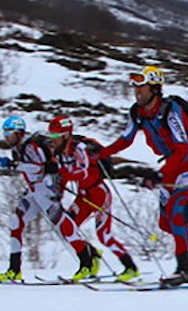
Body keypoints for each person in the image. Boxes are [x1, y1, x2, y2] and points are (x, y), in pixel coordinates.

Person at [98, 66, 188, 286]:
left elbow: (183, 149)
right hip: (171, 163)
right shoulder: (137, 112)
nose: (137, 92)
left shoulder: (171, 109)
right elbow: (126, 139)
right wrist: (100, 154)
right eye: (136, 88)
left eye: (142, 87)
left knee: (176, 214)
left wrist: (162, 174)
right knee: (165, 223)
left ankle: (184, 270)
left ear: (155, 88)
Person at [46, 114, 141, 282]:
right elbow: (63, 177)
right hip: (83, 196)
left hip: (98, 195)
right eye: (51, 136)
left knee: (104, 235)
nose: (52, 140)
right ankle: (89, 260)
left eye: (55, 136)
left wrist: (65, 174)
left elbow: (83, 172)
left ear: (66, 134)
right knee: (67, 227)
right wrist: (57, 195)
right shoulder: (59, 153)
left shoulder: (80, 149)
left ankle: (130, 267)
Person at [0, 116, 61, 283]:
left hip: (46, 191)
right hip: (34, 193)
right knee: (15, 221)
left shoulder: (30, 146)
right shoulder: (17, 149)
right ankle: (14, 269)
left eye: (9, 133)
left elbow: (38, 167)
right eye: (5, 133)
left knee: (64, 228)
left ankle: (89, 259)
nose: (6, 136)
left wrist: (14, 165)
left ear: (19, 133)